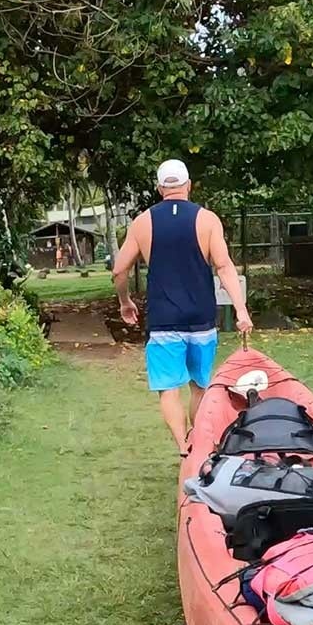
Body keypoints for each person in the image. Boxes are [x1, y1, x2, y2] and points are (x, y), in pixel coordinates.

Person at [113, 159, 253, 454]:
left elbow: (119, 270)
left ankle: (183, 446)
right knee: (199, 386)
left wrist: (125, 301)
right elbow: (224, 266)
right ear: (188, 185)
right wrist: (240, 310)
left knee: (168, 389)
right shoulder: (207, 219)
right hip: (201, 319)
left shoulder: (142, 223)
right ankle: (200, 442)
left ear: (160, 187)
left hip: (163, 320)